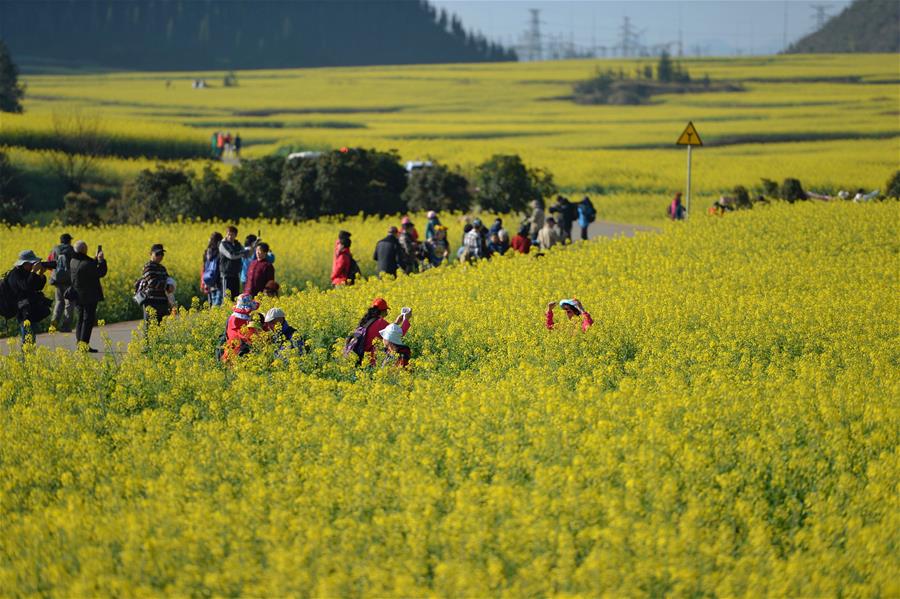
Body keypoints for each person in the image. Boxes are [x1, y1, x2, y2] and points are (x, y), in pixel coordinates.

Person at [69, 240, 107, 352]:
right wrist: (101, 260)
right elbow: (101, 272)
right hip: (89, 296)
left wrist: (95, 259)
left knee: (80, 319)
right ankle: (84, 345)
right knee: (87, 320)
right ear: (85, 250)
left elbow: (86, 265)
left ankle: (79, 343)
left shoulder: (73, 261)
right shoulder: (87, 264)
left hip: (77, 295)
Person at [5, 250, 51, 343]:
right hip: (22, 310)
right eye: (32, 263)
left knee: (31, 336)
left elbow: (38, 287)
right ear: (24, 263)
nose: (33, 265)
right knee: (27, 337)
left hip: (30, 308)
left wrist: (41, 274)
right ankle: (26, 356)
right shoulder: (15, 274)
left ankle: (30, 355)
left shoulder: (26, 272)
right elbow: (26, 286)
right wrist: (33, 271)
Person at [356, 298, 410, 366]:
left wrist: (396, 323)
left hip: (361, 356)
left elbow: (390, 331)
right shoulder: (380, 322)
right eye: (386, 310)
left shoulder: (366, 321)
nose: (387, 312)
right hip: (371, 360)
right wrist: (406, 320)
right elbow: (398, 333)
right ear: (382, 311)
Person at [137, 244, 170, 325]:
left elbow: (168, 280)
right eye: (157, 254)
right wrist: (167, 286)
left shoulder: (162, 268)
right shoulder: (148, 267)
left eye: (162, 254)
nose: (160, 256)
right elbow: (152, 282)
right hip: (151, 302)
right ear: (151, 254)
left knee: (162, 329)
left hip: (162, 302)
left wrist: (170, 286)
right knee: (151, 328)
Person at [48, 233, 75, 332]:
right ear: (69, 241)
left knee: (59, 302)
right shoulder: (72, 250)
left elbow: (49, 263)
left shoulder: (55, 249)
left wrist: (55, 274)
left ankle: (53, 326)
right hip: (69, 281)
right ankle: (66, 326)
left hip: (57, 281)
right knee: (69, 304)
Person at [222, 294, 262, 361]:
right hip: (241, 356)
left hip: (229, 356)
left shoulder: (231, 318)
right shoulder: (247, 321)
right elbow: (251, 339)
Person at [218, 226, 247, 301]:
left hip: (236, 274)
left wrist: (254, 246)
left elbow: (246, 253)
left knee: (235, 298)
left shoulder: (238, 244)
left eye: (232, 235)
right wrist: (242, 254)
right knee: (227, 298)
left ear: (236, 235)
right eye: (228, 234)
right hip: (226, 275)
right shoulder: (223, 244)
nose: (230, 236)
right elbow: (231, 255)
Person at [201, 231, 224, 307]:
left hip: (210, 280)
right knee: (217, 305)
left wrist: (204, 282)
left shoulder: (207, 252)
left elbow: (204, 268)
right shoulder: (220, 251)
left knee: (213, 304)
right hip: (219, 281)